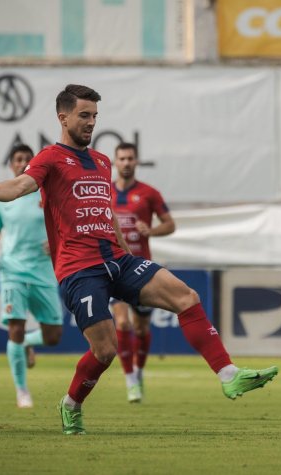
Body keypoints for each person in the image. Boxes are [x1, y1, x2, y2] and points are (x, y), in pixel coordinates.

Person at [0, 84, 278, 435]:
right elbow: (22, 185)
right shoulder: (50, 157)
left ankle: (228, 374)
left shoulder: (102, 162)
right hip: (79, 269)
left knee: (186, 297)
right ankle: (71, 404)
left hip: (118, 260)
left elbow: (108, 213)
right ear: (63, 117)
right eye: (84, 115)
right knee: (105, 350)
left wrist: (126, 253)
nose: (91, 122)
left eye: (95, 116)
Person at [0, 144, 63, 409]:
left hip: (43, 270)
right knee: (15, 328)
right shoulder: (2, 198)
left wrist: (57, 241)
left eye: (27, 159)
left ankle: (27, 343)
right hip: (12, 269)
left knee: (53, 336)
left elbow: (64, 224)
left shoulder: (47, 191)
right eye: (18, 159)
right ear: (11, 165)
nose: (22, 163)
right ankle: (22, 391)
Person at [110, 142, 176, 403]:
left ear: (136, 162)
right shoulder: (104, 192)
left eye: (130, 158)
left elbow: (170, 224)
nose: (126, 163)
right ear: (115, 162)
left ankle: (138, 371)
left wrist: (151, 231)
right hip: (114, 268)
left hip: (141, 269)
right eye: (122, 158)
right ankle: (130, 381)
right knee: (122, 323)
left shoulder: (149, 193)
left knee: (140, 328)